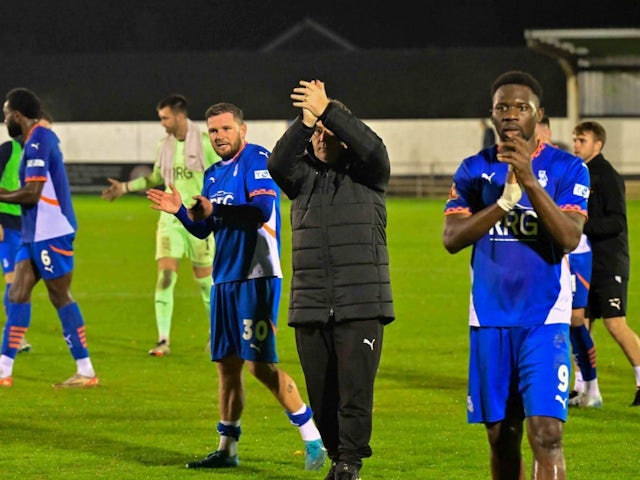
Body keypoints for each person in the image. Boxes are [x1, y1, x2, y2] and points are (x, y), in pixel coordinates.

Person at [146, 102, 326, 471]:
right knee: (227, 366)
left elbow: (259, 211)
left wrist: (216, 212)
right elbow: (204, 227)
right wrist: (181, 211)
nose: (219, 137)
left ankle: (313, 437)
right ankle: (227, 448)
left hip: (256, 277)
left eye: (226, 129)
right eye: (213, 131)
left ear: (242, 130)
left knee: (259, 365)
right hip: (225, 278)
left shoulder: (257, 159)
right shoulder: (212, 174)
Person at [443, 71, 590, 479]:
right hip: (489, 320)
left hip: (545, 320)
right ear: (491, 115)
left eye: (521, 107)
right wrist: (503, 205)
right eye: (502, 107)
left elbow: (568, 236)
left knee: (546, 434)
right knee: (501, 436)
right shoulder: (474, 170)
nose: (511, 114)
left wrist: (528, 182)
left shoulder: (567, 168)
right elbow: (452, 238)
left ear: (538, 115)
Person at [268, 79, 394, 480]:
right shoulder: (301, 179)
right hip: (310, 305)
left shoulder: (369, 174)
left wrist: (330, 112)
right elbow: (277, 163)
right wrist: (306, 123)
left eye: (327, 131)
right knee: (322, 399)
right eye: (317, 133)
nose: (321, 138)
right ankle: (340, 456)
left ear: (343, 135)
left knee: (354, 393)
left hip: (361, 305)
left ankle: (349, 463)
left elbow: (371, 146)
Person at [102, 94, 218, 356]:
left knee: (206, 283)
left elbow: (218, 173)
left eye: (165, 117)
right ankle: (163, 340)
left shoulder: (204, 143)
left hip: (198, 220)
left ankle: (216, 334)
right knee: (165, 276)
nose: (163, 123)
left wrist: (214, 206)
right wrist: (124, 187)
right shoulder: (163, 145)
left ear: (178, 116)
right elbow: (156, 176)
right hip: (170, 219)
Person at [0, 87, 99, 388]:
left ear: (17, 115)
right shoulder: (31, 141)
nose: (5, 118)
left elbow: (33, 192)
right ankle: (3, 371)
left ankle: (86, 370)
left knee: (60, 296)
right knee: (17, 294)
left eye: (6, 113)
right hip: (33, 233)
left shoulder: (41, 139)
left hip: (52, 232)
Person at [572, 120, 640, 407]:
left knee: (615, 324)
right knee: (579, 324)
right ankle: (586, 390)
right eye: (575, 139)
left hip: (609, 263)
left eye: (582, 140)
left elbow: (617, 222)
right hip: (585, 263)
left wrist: (580, 225)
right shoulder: (579, 173)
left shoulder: (607, 176)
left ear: (597, 144)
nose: (576, 144)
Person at [536, 117, 602, 408]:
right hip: (545, 253)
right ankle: (567, 385)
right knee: (553, 320)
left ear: (544, 129)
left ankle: (591, 388)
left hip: (575, 254)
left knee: (574, 320)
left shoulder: (564, 165)